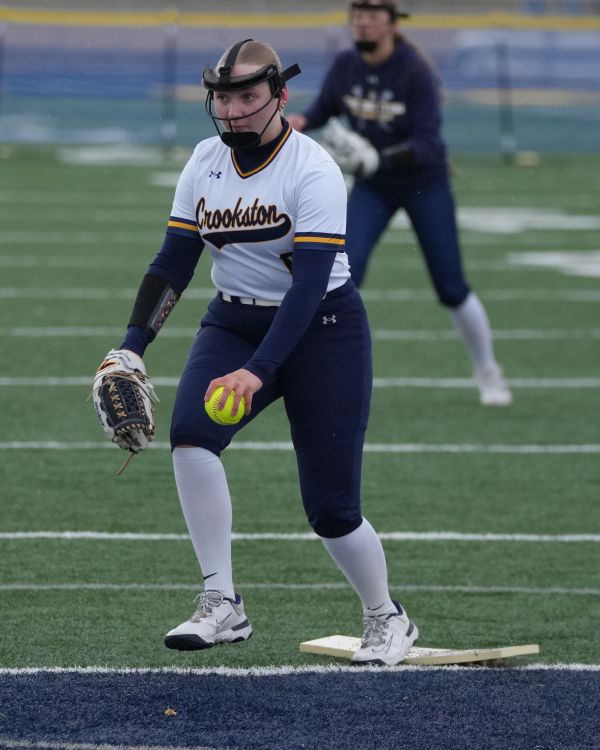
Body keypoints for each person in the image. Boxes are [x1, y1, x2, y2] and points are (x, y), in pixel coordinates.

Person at [94, 39, 418, 666]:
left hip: (323, 329)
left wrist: (257, 371)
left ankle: (387, 617)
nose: (234, 110)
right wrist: (131, 347)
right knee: (191, 437)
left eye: (248, 96)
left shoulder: (313, 167)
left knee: (331, 509)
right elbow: (173, 263)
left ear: (280, 95)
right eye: (224, 98)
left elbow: (309, 284)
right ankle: (221, 602)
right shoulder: (204, 160)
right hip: (234, 321)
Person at [287, 0, 513, 406]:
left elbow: (427, 142)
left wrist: (379, 159)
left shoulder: (415, 70)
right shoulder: (346, 65)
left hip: (425, 183)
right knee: (342, 274)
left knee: (451, 287)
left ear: (392, 24)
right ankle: (325, 370)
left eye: (373, 18)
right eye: (358, 18)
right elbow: (324, 108)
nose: (363, 25)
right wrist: (300, 121)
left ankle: (488, 369)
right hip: (374, 187)